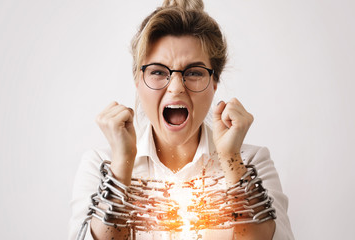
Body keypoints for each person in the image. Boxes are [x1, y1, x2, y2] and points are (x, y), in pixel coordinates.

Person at [69, 0, 294, 239]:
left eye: (194, 72)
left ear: (214, 84)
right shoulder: (102, 165)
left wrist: (231, 161)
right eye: (157, 71)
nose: (176, 88)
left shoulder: (250, 162)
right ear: (138, 81)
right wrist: (123, 163)